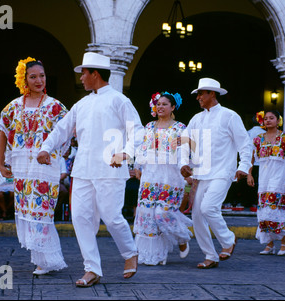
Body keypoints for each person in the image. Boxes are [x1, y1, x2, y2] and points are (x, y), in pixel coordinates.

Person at [37, 52, 144, 287]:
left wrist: (125, 153)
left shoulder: (119, 100)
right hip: (83, 169)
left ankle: (130, 253)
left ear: (94, 74)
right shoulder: (81, 104)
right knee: (80, 218)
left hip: (110, 168)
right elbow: (61, 129)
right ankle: (92, 269)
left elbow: (137, 130)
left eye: (83, 73)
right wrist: (46, 147)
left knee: (112, 217)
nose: (81, 78)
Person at [0, 57, 68, 275]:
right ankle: (42, 258)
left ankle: (45, 261)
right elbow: (2, 133)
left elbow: (67, 133)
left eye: (42, 76)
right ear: (24, 79)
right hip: (21, 169)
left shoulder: (55, 106)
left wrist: (56, 153)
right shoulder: (14, 106)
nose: (39, 80)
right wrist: (0, 162)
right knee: (28, 211)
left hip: (45, 168)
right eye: (33, 76)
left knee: (42, 210)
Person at [180, 78, 252, 269]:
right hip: (200, 173)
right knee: (196, 216)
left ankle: (229, 240)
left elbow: (245, 143)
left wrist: (243, 166)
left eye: (200, 93)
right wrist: (183, 164)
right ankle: (210, 255)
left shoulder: (230, 116)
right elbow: (185, 143)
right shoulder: (196, 118)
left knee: (208, 208)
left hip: (222, 171)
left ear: (212, 93)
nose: (198, 98)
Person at [133, 91, 192, 266]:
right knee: (148, 215)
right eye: (158, 104)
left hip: (170, 175)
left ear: (173, 107)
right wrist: (137, 166)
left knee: (163, 212)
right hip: (150, 173)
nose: (160, 107)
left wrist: (186, 169)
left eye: (165, 104)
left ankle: (182, 237)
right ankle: (153, 255)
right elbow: (142, 148)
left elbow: (185, 150)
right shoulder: (149, 126)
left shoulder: (181, 128)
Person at [247, 110, 285, 255]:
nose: (268, 120)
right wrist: (249, 174)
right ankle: (269, 244)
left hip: (279, 177)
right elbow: (251, 157)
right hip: (264, 177)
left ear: (278, 120)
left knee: (273, 209)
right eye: (266, 118)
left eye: (272, 118)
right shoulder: (258, 139)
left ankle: (284, 241)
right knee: (263, 211)